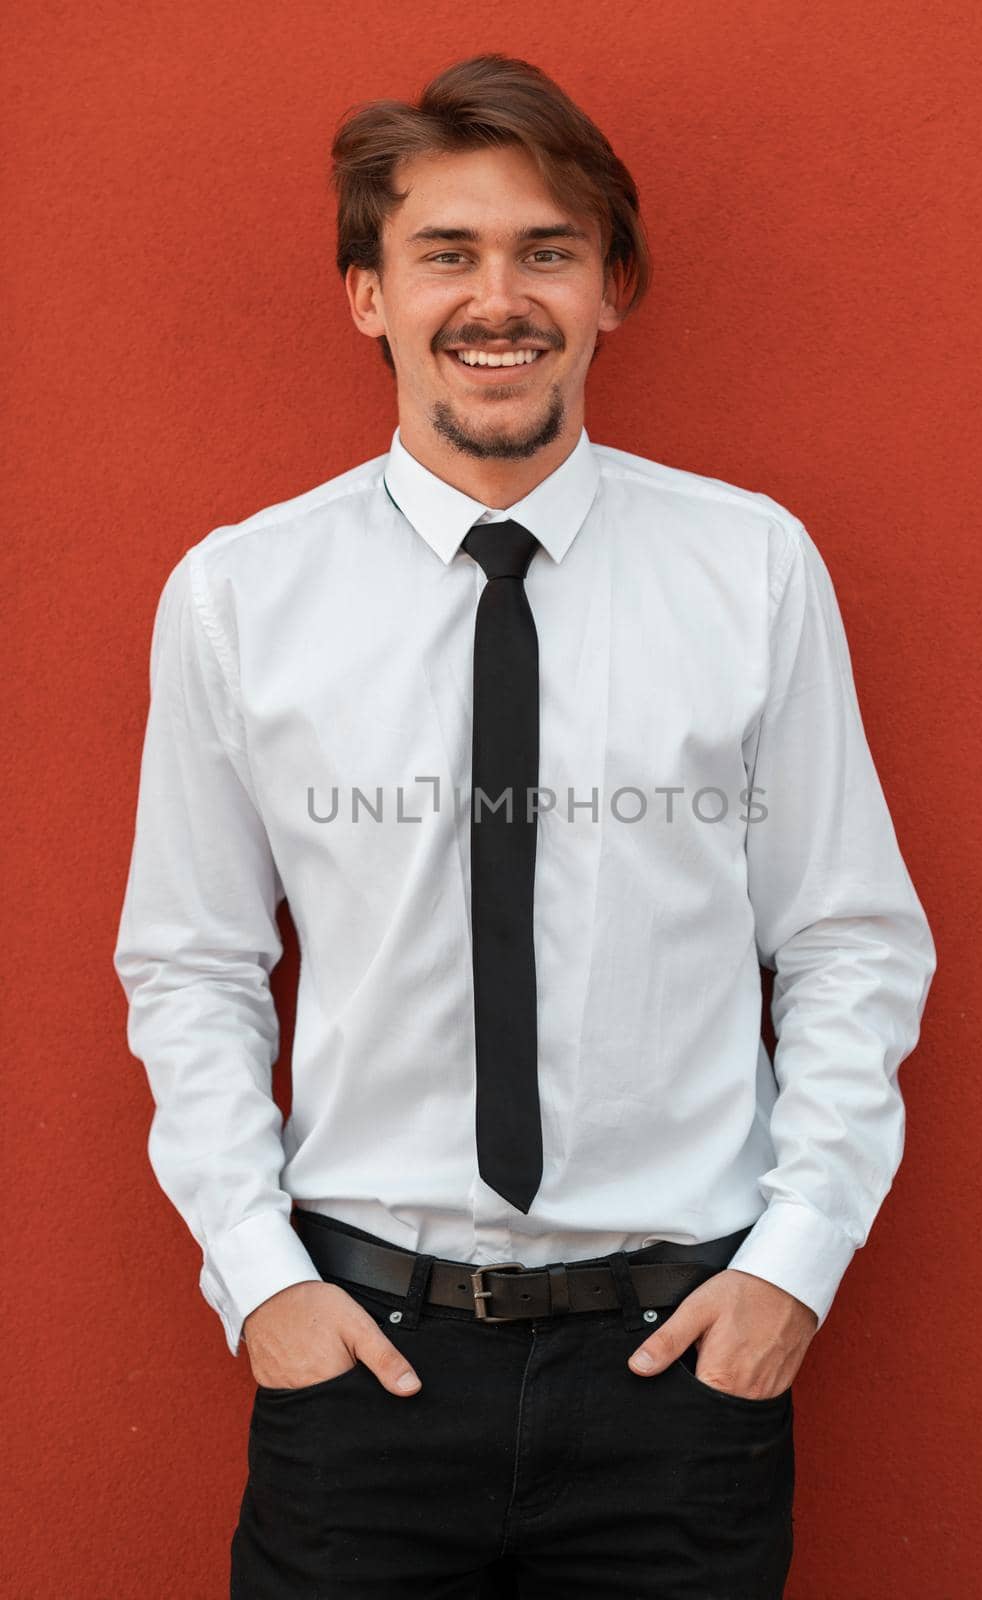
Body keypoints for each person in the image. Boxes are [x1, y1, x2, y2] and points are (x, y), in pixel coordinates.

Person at [112, 51, 936, 1600]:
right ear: (368, 294)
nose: (501, 296)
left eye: (546, 250)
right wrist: (262, 1284)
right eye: (447, 253)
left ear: (610, 289)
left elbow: (846, 941)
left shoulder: (749, 569)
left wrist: (791, 1269)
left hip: (679, 1377)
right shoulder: (240, 596)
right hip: (362, 1376)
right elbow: (193, 964)